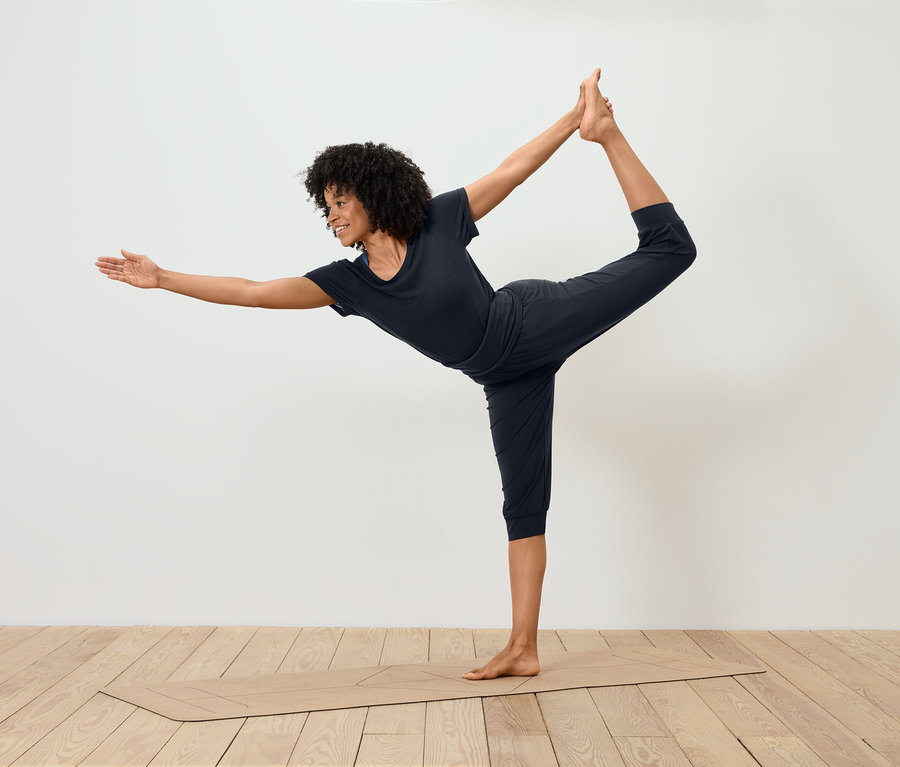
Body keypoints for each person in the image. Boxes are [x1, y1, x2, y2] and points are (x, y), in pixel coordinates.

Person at [95, 68, 696, 681]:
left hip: (528, 324)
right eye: (326, 207)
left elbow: (511, 170)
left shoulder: (437, 222)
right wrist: (163, 278)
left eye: (340, 202)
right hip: (505, 380)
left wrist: (577, 122)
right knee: (523, 507)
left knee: (671, 250)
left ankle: (610, 134)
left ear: (372, 194)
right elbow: (253, 291)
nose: (331, 216)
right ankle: (523, 648)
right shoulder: (349, 283)